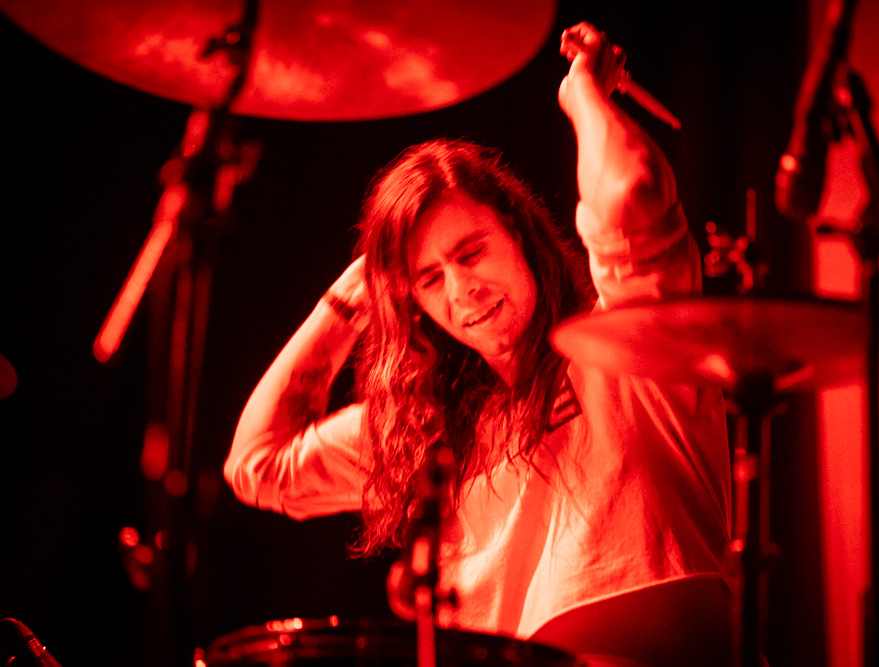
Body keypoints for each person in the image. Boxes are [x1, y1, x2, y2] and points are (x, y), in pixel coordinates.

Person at [224, 22, 733, 666]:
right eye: (429, 278)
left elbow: (632, 193)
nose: (461, 290)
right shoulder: (429, 430)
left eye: (470, 253)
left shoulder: (628, 349)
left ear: (517, 231)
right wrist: (354, 294)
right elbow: (257, 465)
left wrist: (582, 93)